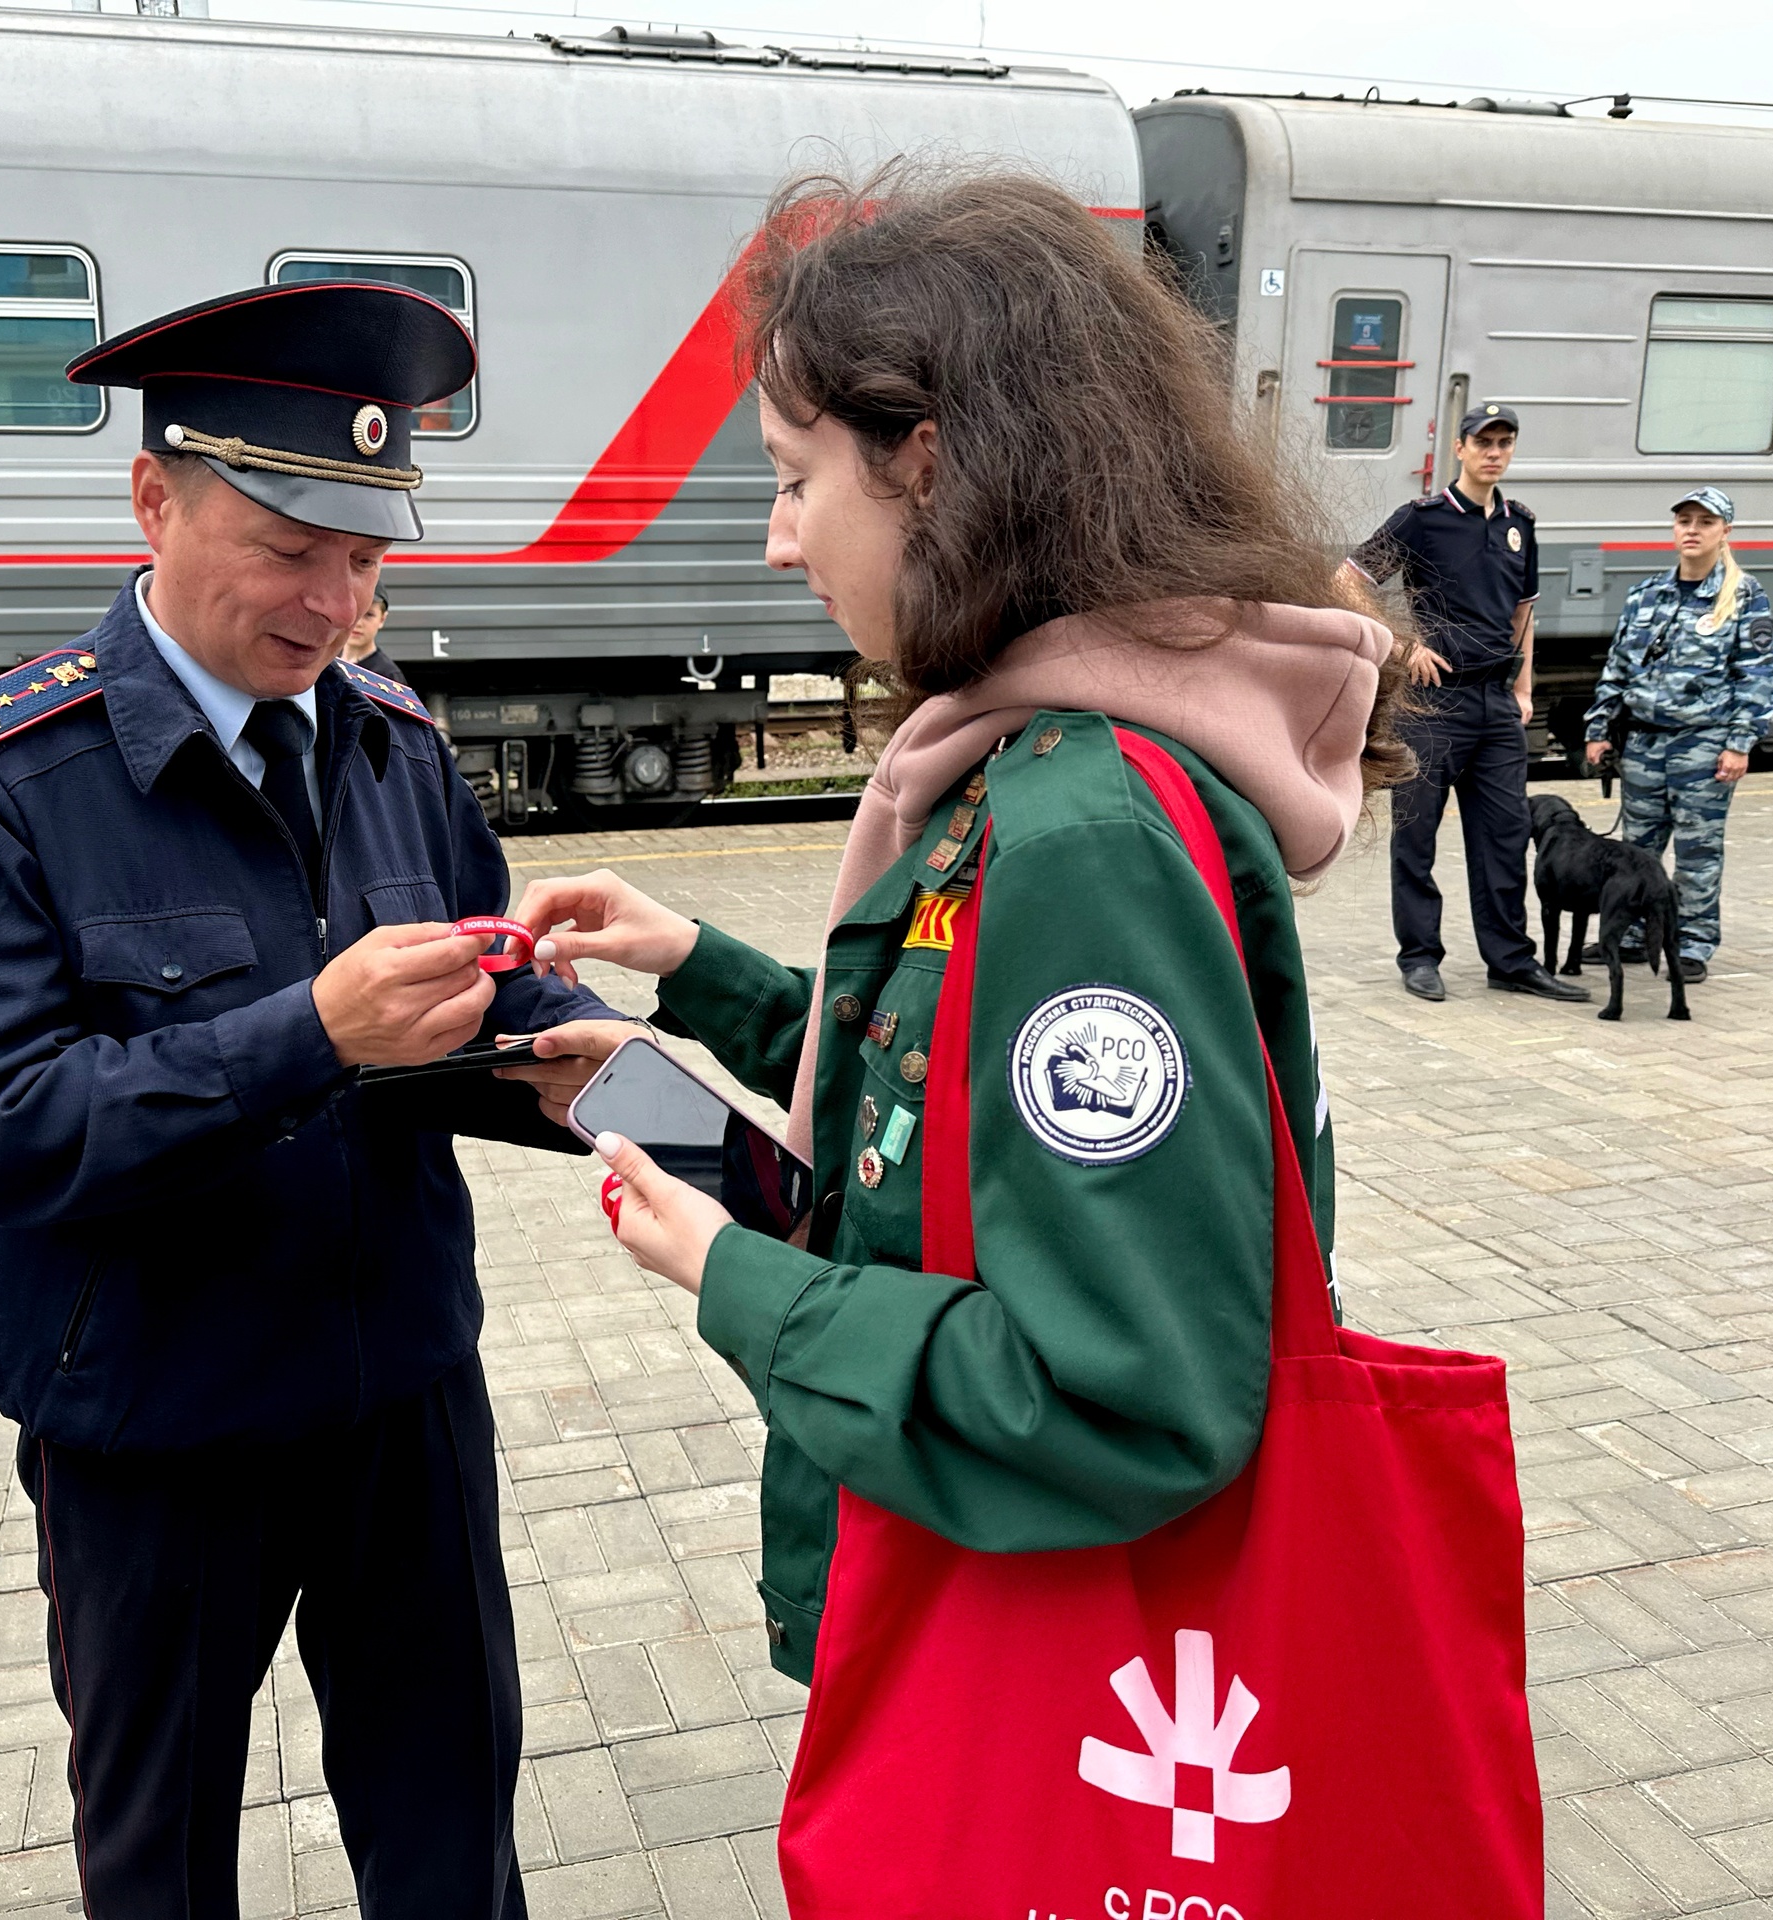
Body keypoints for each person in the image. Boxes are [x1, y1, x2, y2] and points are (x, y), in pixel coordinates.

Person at [509, 167, 1403, 1689]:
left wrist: (739, 1277)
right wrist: (695, 975)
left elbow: (1124, 1402)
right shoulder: (1044, 766)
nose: (779, 542)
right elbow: (952, 1094)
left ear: (928, 465)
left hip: (1026, 1658)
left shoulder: (1082, 833)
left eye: (796, 477)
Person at [0, 282, 628, 1920]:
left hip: (401, 1400)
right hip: (156, 1432)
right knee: (158, 1857)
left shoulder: (396, 746)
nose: (334, 602)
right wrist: (310, 1033)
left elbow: (490, 995)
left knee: (451, 1826)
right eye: (291, 547)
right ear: (152, 498)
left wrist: (619, 1088)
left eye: (367, 559)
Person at [1341, 406, 1589, 1004]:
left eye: (1505, 443)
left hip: (1496, 704)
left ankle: (1511, 962)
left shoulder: (1519, 524)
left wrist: (1524, 689)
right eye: (1483, 442)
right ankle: (1420, 957)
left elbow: (1523, 611)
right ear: (1460, 448)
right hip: (1433, 705)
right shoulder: (1422, 520)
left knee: (1504, 837)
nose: (1494, 452)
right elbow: (1346, 581)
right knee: (1417, 834)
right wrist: (1400, 646)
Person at [1580, 487, 1773, 980]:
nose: (1692, 530)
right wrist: (1599, 726)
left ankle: (1691, 943)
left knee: (1698, 852)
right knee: (1635, 851)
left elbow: (1757, 676)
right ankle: (1628, 933)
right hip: (1644, 744)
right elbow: (1618, 667)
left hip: (1703, 747)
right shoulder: (1647, 593)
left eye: (1705, 523)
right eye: (1684, 521)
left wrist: (1739, 744)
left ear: (1724, 533)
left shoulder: (1743, 597)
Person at [337, 586, 404, 680]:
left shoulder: (387, 676)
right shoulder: (326, 661)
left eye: (369, 615)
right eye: (353, 612)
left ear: (382, 619)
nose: (358, 623)